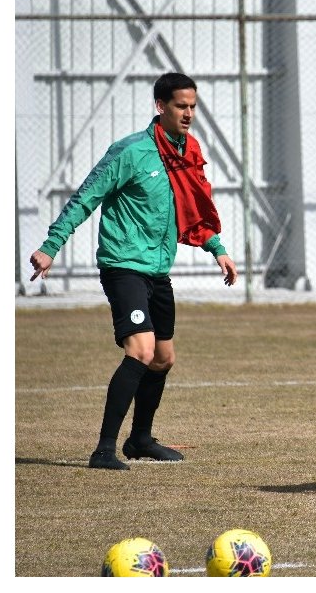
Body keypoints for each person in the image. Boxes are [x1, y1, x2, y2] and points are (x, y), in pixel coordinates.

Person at [28, 72, 238, 470]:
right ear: (160, 106)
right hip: (123, 265)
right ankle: (103, 450)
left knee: (163, 358)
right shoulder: (130, 151)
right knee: (141, 350)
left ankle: (140, 439)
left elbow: (193, 207)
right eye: (180, 106)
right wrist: (51, 246)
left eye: (193, 106)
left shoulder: (187, 151)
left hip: (157, 270)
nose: (188, 114)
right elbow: (86, 197)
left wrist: (218, 249)